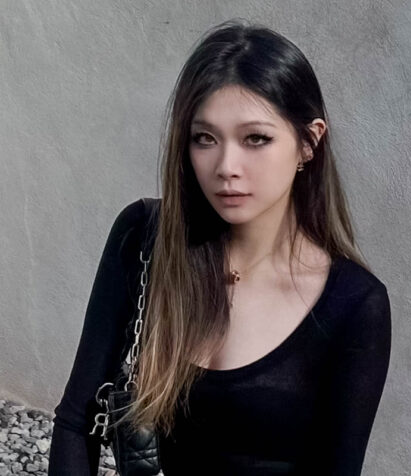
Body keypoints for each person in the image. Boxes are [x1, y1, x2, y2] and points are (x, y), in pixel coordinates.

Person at [48, 19, 392, 476]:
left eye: (256, 139)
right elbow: (77, 421)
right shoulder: (147, 239)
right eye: (204, 138)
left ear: (309, 142)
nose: (226, 166)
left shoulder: (354, 304)